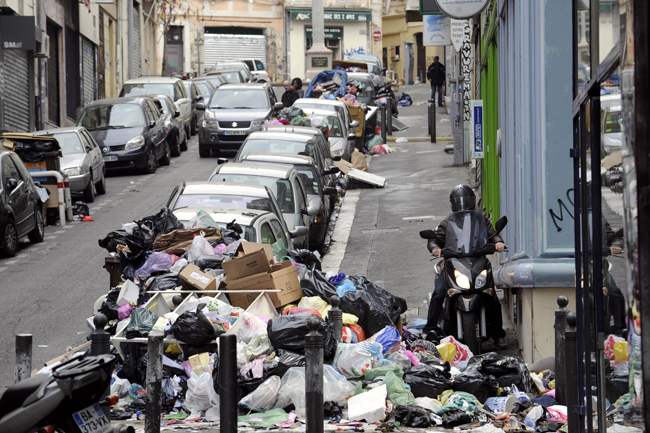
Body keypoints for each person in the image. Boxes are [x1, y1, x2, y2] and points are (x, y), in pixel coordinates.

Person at [423, 184, 507, 348]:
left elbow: (493, 234)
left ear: (472, 201)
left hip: (478, 261)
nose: (463, 204)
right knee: (438, 293)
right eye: (459, 201)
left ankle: (498, 335)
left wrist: (498, 243)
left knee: (493, 298)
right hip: (453, 262)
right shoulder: (447, 222)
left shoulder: (481, 219)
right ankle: (429, 329)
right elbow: (434, 239)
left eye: (466, 200)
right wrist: (435, 248)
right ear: (453, 203)